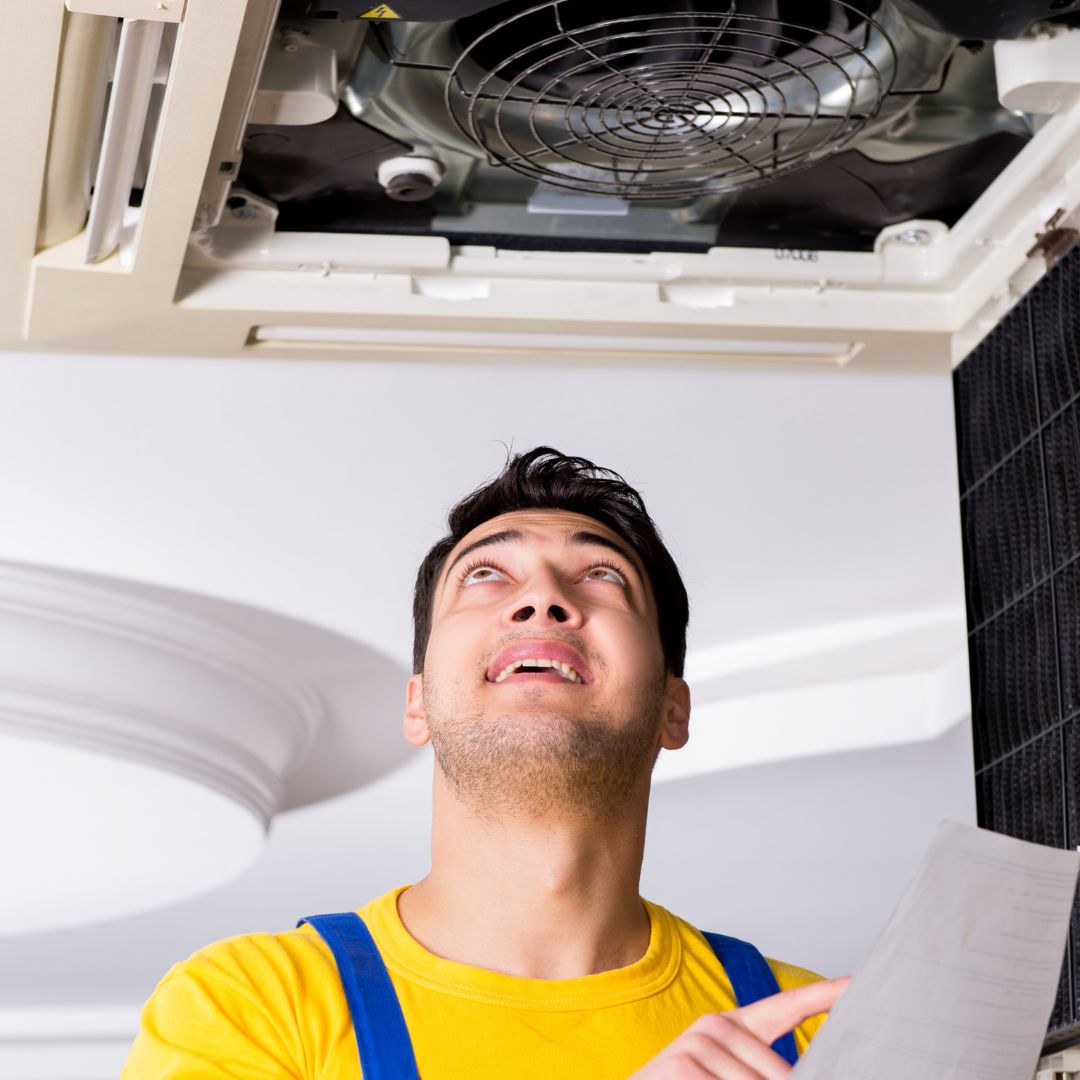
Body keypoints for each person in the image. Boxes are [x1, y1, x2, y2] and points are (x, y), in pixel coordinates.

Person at [121, 447, 847, 1079]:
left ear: (672, 709)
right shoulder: (250, 1005)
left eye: (601, 575)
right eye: (486, 576)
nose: (543, 599)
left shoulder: (817, 1031)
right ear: (418, 703)